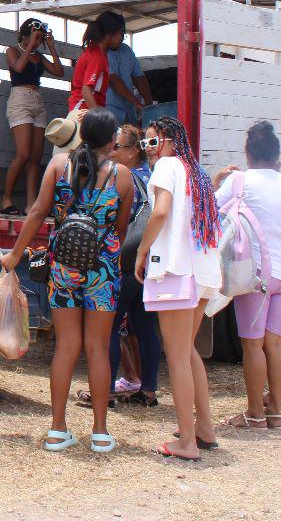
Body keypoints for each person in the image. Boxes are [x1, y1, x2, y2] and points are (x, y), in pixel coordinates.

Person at [2, 108, 133, 453]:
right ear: (112, 140)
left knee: (66, 347)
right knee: (98, 348)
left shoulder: (59, 165)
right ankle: (101, 432)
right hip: (103, 270)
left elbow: (37, 212)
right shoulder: (122, 176)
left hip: (63, 269)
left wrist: (16, 254)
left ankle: (58, 429)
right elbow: (120, 229)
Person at [135, 115, 223, 460]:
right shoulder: (196, 171)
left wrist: (142, 250)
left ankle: (186, 442)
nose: (148, 149)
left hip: (175, 270)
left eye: (152, 142)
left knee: (176, 356)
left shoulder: (168, 166)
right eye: (144, 144)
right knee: (187, 352)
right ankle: (203, 429)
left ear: (169, 140)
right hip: (201, 273)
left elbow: (160, 213)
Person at [212, 121, 281, 429]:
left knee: (253, 345)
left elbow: (212, 211)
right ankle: (276, 413)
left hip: (256, 276)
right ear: (276, 154)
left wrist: (217, 181)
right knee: (275, 342)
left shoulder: (240, 181)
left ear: (248, 153)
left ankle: (255, 413)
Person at [91, 123, 161, 406]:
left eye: (117, 146)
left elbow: (115, 222)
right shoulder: (153, 177)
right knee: (145, 328)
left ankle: (105, 391)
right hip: (148, 264)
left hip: (123, 262)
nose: (112, 150)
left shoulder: (123, 178)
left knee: (107, 327)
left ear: (133, 151)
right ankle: (149, 391)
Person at [0, 18, 64, 216]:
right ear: (25, 35)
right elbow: (18, 68)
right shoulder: (13, 49)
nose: (36, 43)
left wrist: (51, 47)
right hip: (19, 98)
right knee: (24, 154)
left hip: (37, 100)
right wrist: (29, 47)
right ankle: (6, 199)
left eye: (40, 40)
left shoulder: (39, 55)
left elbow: (59, 72)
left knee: (36, 156)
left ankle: (31, 204)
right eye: (34, 38)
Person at [102, 12, 156, 125]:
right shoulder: (100, 53)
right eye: (118, 34)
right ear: (108, 34)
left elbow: (139, 77)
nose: (121, 38)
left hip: (128, 110)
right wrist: (137, 103)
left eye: (123, 34)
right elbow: (114, 81)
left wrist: (149, 104)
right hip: (107, 110)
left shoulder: (126, 50)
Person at [67, 13, 116, 112]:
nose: (121, 38)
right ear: (109, 34)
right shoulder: (96, 56)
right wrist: (98, 118)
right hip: (82, 110)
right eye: (120, 33)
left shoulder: (100, 54)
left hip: (89, 110)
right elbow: (86, 91)